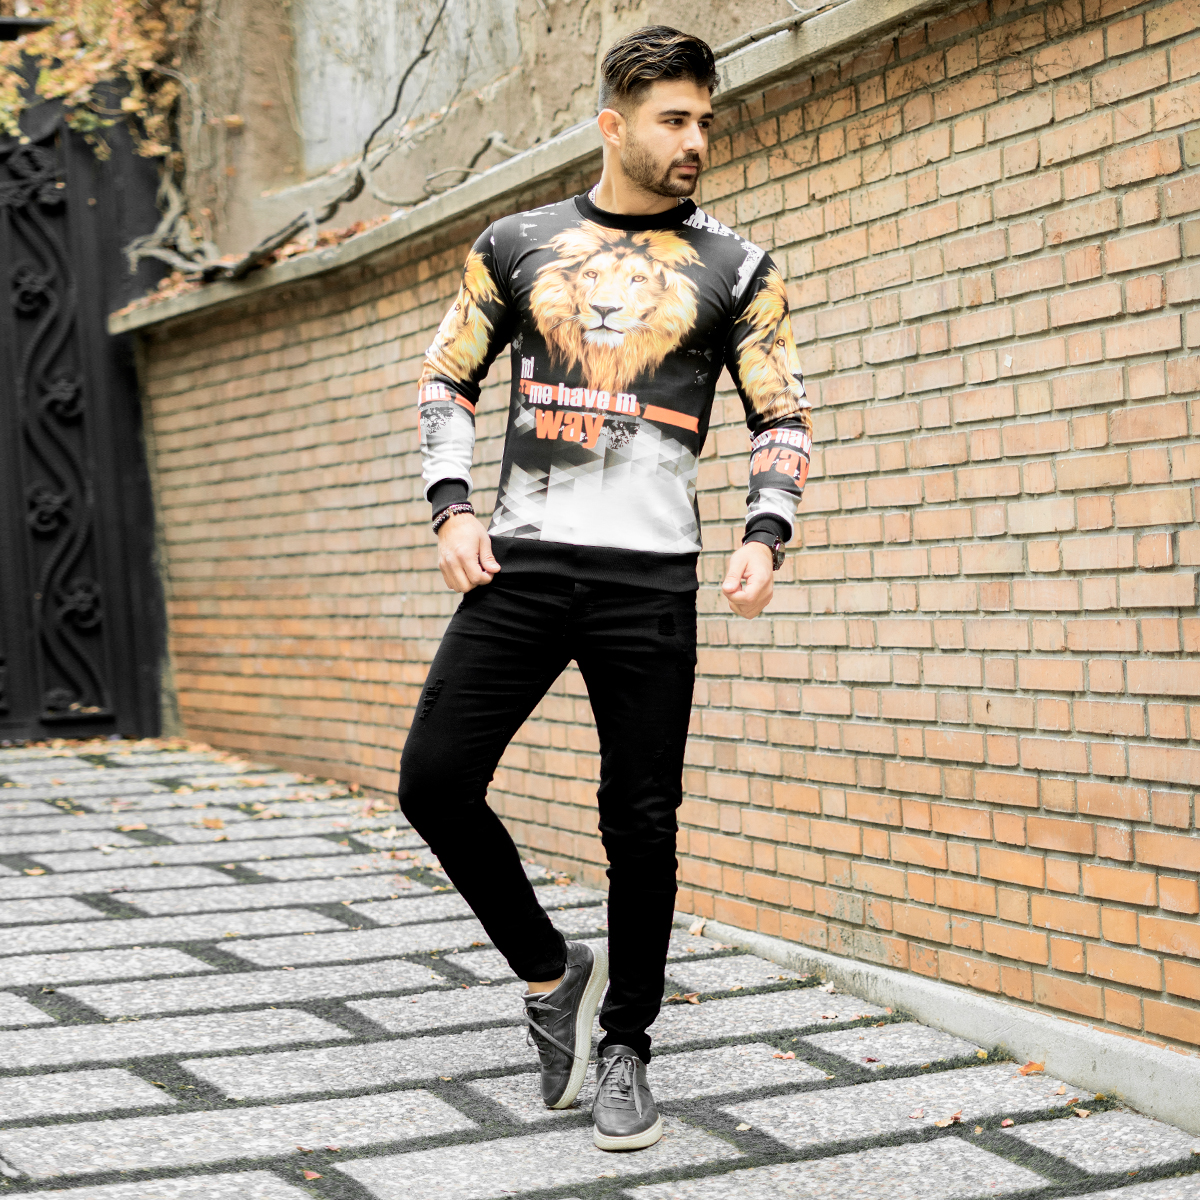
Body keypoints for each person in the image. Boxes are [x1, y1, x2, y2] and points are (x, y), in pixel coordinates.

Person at [397, 25, 812, 1151]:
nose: (695, 140)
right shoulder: (517, 243)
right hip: (522, 563)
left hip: (650, 584)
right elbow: (445, 377)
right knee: (434, 782)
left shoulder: (739, 268)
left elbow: (781, 414)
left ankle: (626, 1045)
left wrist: (766, 532)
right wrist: (451, 506)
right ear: (612, 125)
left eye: (705, 121)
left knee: (641, 821)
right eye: (674, 120)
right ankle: (551, 973)